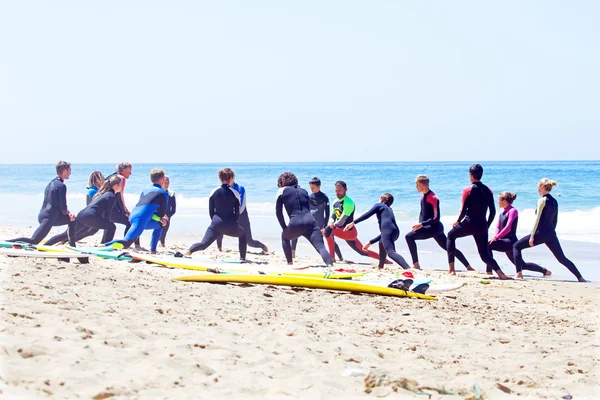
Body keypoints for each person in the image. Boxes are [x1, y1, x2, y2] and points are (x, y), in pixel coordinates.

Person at [513, 179, 586, 282]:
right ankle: (580, 277)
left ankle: (519, 274)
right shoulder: (555, 201)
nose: (537, 189)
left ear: (543, 187)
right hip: (551, 234)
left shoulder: (542, 200)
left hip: (540, 233)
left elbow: (537, 219)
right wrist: (551, 233)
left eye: (538, 186)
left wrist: (532, 236)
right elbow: (555, 220)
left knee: (516, 246)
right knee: (562, 258)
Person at [446, 164, 508, 279]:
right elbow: (493, 211)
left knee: (450, 236)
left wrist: (458, 221)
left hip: (469, 223)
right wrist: (486, 226)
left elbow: (463, 210)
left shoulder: (467, 190)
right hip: (482, 226)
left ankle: (451, 270)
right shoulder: (488, 190)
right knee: (484, 255)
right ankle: (501, 273)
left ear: (470, 175)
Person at [405, 175, 472, 271]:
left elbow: (436, 218)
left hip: (434, 228)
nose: (416, 187)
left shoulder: (433, 197)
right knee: (448, 247)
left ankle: (416, 265)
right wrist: (420, 225)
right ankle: (468, 267)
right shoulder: (422, 197)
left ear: (423, 185)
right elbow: (422, 213)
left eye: (417, 184)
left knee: (409, 237)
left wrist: (422, 224)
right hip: (430, 227)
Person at [182, 168, 247, 260]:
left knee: (204, 244)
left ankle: (189, 251)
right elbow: (237, 212)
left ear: (220, 178)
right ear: (231, 178)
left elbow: (211, 211)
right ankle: (242, 258)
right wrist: (233, 223)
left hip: (216, 224)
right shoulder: (235, 193)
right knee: (243, 234)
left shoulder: (213, 192)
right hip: (230, 224)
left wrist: (215, 222)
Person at [8, 161, 76, 246]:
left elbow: (55, 203)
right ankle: (6, 243)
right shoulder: (62, 186)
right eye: (69, 170)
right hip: (49, 218)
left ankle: (71, 245)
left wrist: (68, 213)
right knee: (33, 241)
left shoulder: (51, 183)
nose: (70, 173)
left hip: (47, 215)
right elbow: (63, 208)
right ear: (65, 171)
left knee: (72, 220)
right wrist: (68, 213)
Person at [275, 172, 334, 267]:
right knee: (320, 246)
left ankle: (290, 264)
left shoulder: (282, 190)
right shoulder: (304, 191)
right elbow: (307, 209)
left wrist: (284, 228)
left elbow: (278, 212)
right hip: (311, 223)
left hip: (295, 223)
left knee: (284, 236)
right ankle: (330, 266)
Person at [105, 169, 169, 254]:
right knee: (126, 243)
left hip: (133, 215)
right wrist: (162, 218)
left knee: (159, 225)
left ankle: (153, 251)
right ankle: (104, 246)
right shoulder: (163, 193)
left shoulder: (145, 190)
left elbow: (146, 208)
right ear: (162, 179)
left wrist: (160, 220)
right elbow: (161, 213)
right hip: (140, 219)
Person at [45, 175, 122, 245]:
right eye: (120, 184)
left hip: (82, 214)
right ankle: (106, 246)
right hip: (91, 216)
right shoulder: (111, 196)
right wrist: (106, 224)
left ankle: (47, 244)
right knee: (112, 227)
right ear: (116, 185)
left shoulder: (105, 193)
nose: (122, 186)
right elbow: (107, 215)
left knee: (66, 234)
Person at [488, 191, 548, 276]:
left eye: (499, 200)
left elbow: (508, 228)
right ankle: (544, 271)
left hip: (510, 242)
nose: (497, 202)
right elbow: (498, 227)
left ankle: (489, 271)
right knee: (522, 265)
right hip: (503, 241)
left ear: (504, 201)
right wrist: (495, 237)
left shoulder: (513, 211)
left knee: (488, 246)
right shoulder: (501, 213)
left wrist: (497, 238)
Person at [345, 193, 410, 269]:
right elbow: (384, 233)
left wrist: (353, 223)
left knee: (391, 252)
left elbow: (367, 214)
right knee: (381, 242)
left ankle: (407, 268)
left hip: (388, 230)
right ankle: (380, 267)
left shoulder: (379, 205)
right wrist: (370, 242)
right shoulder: (389, 210)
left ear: (382, 200)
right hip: (395, 232)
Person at [323, 181, 382, 262]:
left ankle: (385, 260)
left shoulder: (348, 203)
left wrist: (331, 226)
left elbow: (341, 221)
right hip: (340, 230)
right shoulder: (335, 202)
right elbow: (333, 216)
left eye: (339, 190)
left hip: (349, 232)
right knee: (362, 251)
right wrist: (331, 222)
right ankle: (334, 258)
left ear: (345, 189)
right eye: (336, 191)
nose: (337, 193)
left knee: (327, 231)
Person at [215, 169, 268, 253]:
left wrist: (233, 214)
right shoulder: (222, 190)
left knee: (249, 242)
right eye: (223, 178)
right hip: (229, 215)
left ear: (232, 178)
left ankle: (263, 246)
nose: (226, 180)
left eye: (227, 178)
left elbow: (241, 206)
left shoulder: (240, 188)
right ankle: (219, 248)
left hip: (241, 217)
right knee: (219, 225)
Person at [290, 177, 343, 260]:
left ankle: (340, 257)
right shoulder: (309, 197)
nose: (311, 189)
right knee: (295, 232)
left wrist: (325, 226)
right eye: (310, 188)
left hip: (320, 223)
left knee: (329, 238)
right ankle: (292, 253)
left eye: (313, 188)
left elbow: (327, 213)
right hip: (309, 221)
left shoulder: (324, 198)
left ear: (319, 186)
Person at [103, 162, 140, 248]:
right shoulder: (121, 178)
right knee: (131, 222)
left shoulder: (110, 177)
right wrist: (124, 211)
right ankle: (127, 243)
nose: (131, 173)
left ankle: (105, 242)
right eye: (129, 170)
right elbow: (119, 197)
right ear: (123, 170)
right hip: (111, 208)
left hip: (105, 208)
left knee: (109, 223)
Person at [159, 176, 177, 247]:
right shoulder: (158, 193)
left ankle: (162, 243)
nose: (167, 184)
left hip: (168, 215)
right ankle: (158, 242)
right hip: (159, 215)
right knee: (158, 228)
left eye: (168, 183)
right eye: (165, 182)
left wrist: (168, 216)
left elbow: (173, 209)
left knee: (165, 227)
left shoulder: (171, 193)